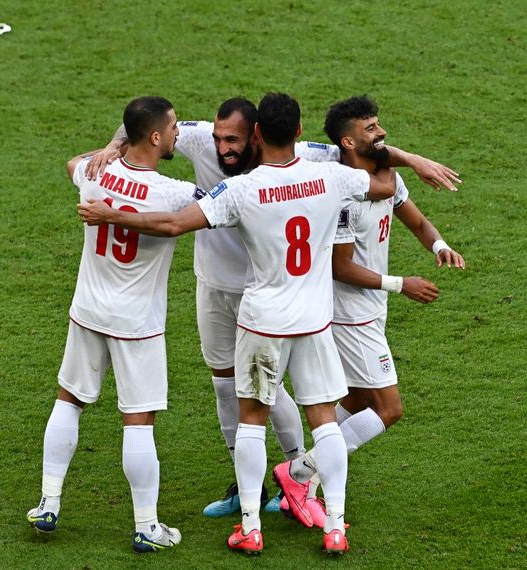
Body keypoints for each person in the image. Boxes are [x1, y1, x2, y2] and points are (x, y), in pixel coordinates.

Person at [83, 97, 462, 518]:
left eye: (235, 141)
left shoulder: (302, 162)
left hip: (263, 296)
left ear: (258, 137)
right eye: (219, 138)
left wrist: (410, 159)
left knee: (271, 393)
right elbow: (142, 125)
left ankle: (297, 473)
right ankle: (261, 488)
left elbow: (358, 153)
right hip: (215, 286)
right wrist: (111, 147)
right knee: (227, 386)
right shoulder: (203, 142)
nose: (224, 148)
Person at [278, 95, 466, 517]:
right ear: (347, 142)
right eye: (370, 128)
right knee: (389, 408)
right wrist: (403, 284)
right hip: (350, 314)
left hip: (369, 309)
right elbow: (339, 268)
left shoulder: (387, 177)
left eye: (379, 124)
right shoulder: (343, 195)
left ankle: (299, 482)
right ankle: (302, 473)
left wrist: (440, 245)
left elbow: (415, 220)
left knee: (359, 399)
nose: (380, 133)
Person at [26, 96, 197, 553]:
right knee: (138, 421)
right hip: (136, 324)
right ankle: (146, 525)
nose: (179, 133)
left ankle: (48, 503)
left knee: (70, 400)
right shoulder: (172, 191)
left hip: (87, 310)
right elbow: (196, 215)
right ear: (156, 137)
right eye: (174, 127)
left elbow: (71, 163)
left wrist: (110, 146)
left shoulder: (93, 173)